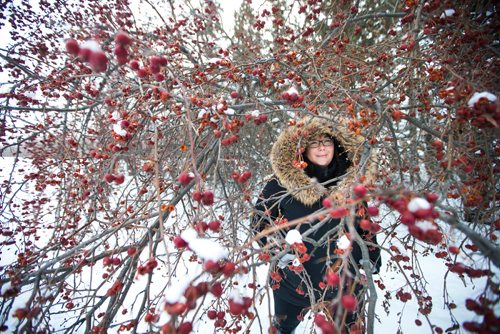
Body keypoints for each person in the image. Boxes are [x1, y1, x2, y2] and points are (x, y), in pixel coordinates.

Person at [251, 116, 381, 333]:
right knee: (283, 330)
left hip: (344, 283)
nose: (322, 148)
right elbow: (259, 222)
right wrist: (279, 250)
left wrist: (371, 258)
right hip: (294, 282)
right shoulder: (280, 184)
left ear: (336, 146)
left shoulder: (351, 185)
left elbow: (363, 224)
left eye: (327, 142)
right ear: (303, 149)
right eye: (314, 143)